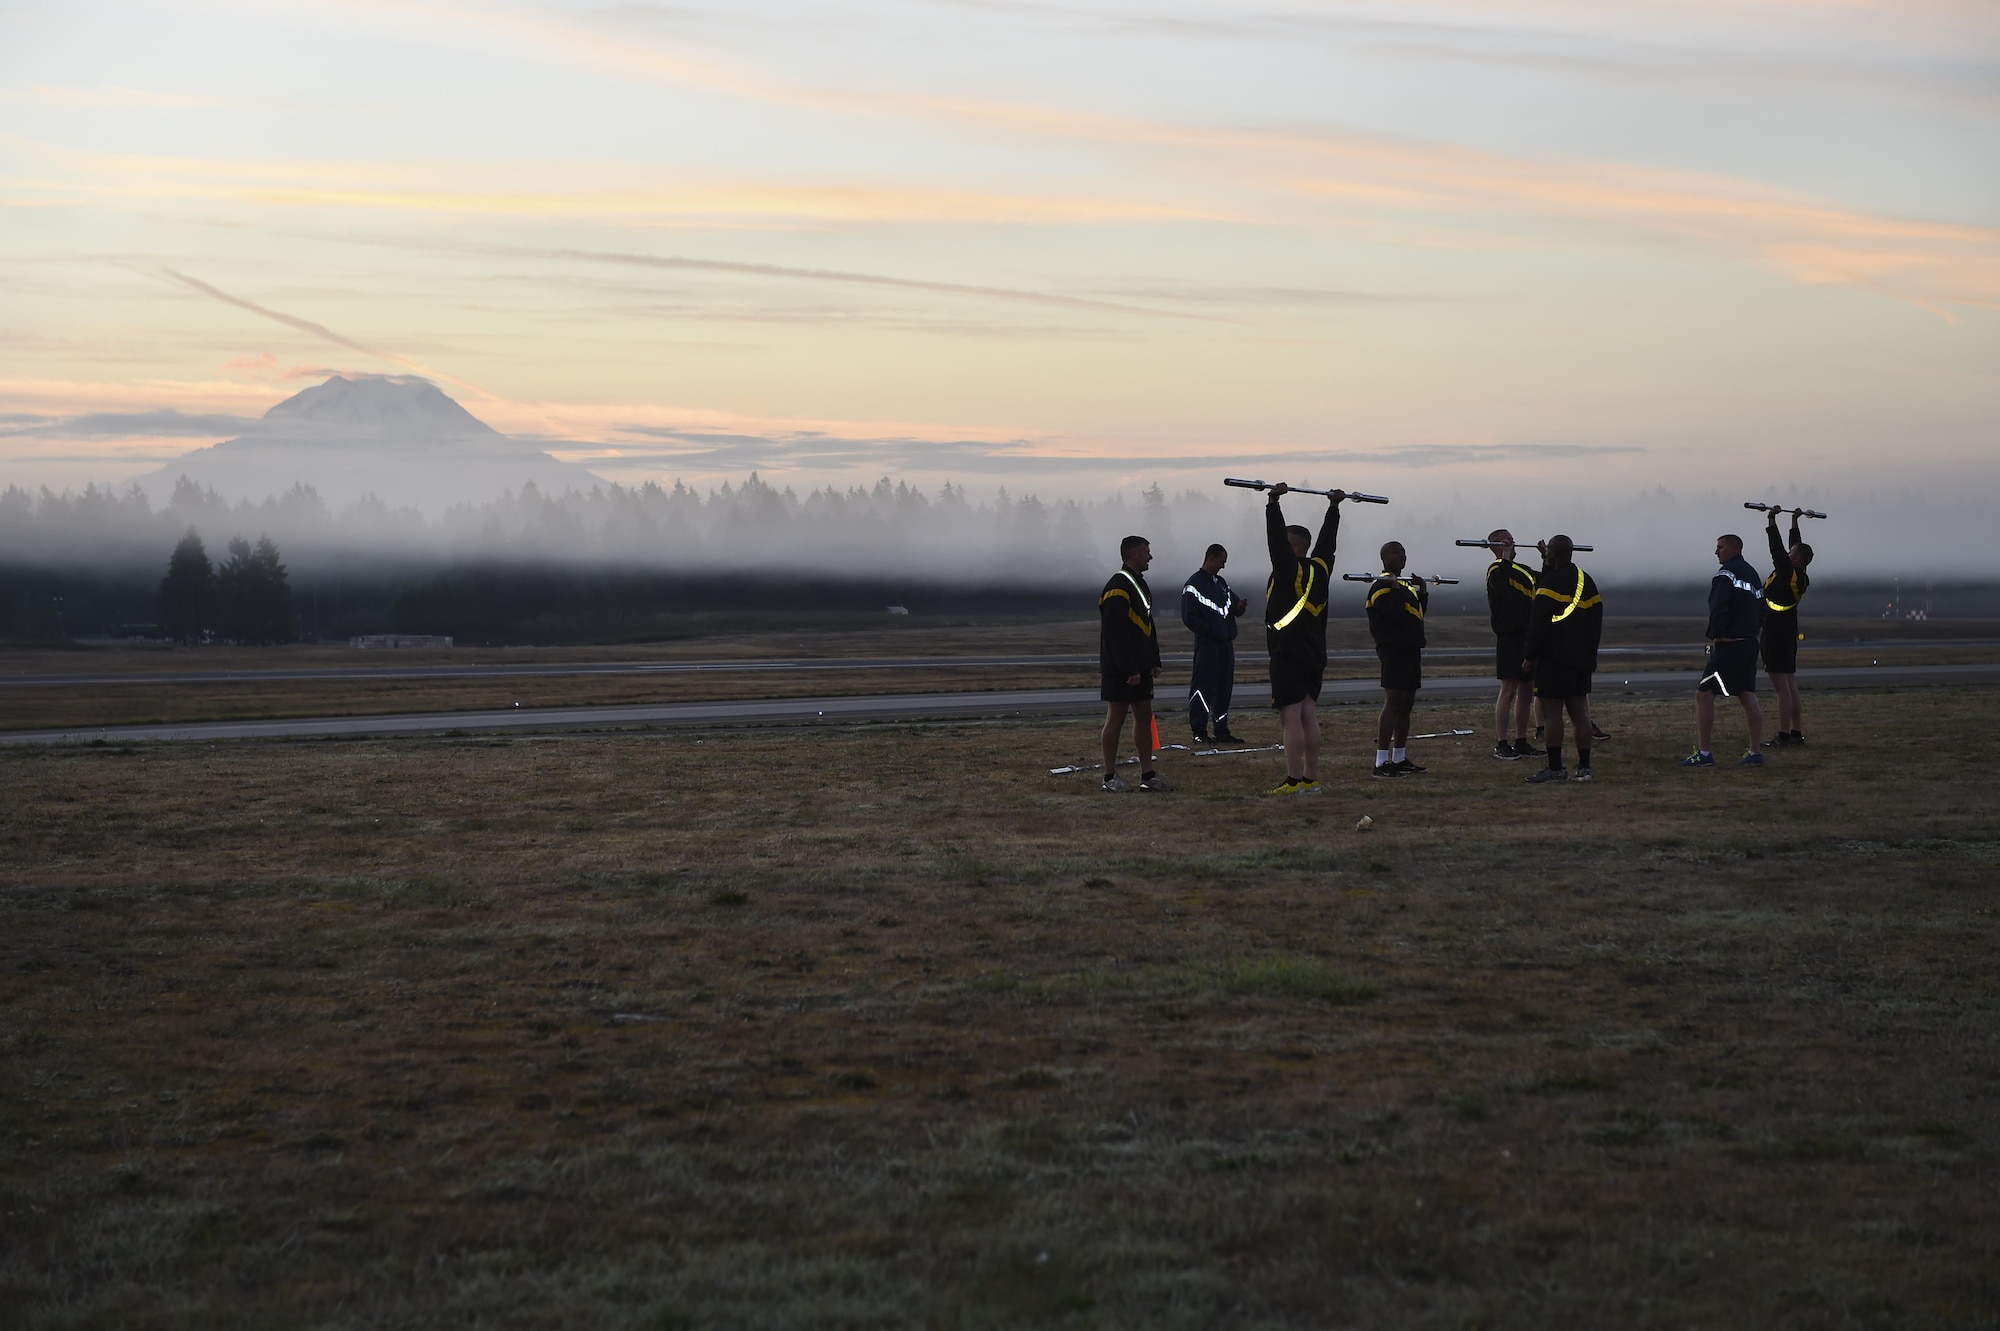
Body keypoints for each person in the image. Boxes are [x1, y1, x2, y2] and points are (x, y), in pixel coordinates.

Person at [1262, 483, 1346, 795]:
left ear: (1294, 546)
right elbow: (1328, 544)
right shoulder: (1321, 567)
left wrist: (1273, 503)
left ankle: (1293, 780)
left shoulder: (1287, 569)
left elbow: (1274, 542)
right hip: (1314, 653)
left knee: (1291, 718)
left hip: (1288, 653)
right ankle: (1311, 779)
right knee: (1309, 714)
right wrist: (1334, 507)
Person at [1519, 536, 1603, 783]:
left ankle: (1555, 768)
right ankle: (1584, 767)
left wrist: (1529, 656)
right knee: (1580, 713)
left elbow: (1538, 626)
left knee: (1551, 714)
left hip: (1553, 660)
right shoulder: (1587, 581)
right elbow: (1595, 622)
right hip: (1581, 659)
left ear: (1553, 554)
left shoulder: (1549, 586)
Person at [1682, 532, 1766, 769]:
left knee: (1704, 693)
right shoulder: (1753, 574)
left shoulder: (1725, 575)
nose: (1716, 552)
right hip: (1749, 642)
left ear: (1733, 548)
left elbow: (1718, 606)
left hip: (1730, 645)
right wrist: (1753, 630)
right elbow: (1763, 606)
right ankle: (1755, 752)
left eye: (1719, 547)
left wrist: (1717, 634)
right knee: (1746, 693)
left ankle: (1705, 752)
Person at [1100, 534, 1168, 792]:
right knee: (1115, 718)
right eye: (1147, 552)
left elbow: (1147, 626)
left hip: (1141, 667)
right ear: (1134, 554)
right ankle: (1110, 777)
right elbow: (1115, 634)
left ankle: (1147, 775)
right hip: (1121, 669)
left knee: (1144, 716)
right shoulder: (1118, 587)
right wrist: (1129, 669)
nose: (1151, 557)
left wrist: (1153, 660)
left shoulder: (1139, 584)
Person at [1364, 543, 1429, 778]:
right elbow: (1393, 616)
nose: (1401, 555)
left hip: (1411, 649)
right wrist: (1394, 589)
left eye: (1403, 552)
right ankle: (1381, 762)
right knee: (1393, 703)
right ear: (1383, 558)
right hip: (1394, 651)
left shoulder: (1402, 586)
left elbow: (1415, 617)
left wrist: (1422, 591)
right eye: (1395, 552)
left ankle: (1399, 758)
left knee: (1407, 704)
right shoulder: (1382, 586)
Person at [1483, 529, 1542, 761]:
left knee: (1527, 691)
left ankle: (1521, 741)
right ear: (1497, 546)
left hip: (1528, 636)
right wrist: (1505, 556)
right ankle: (1502, 743)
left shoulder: (1524, 571)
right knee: (1508, 690)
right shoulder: (1496, 570)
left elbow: (1546, 580)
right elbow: (1501, 588)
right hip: (1509, 636)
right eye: (1506, 541)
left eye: (1512, 540)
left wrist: (1545, 556)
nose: (1513, 543)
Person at [1180, 543, 1247, 744]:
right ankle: (1199, 732)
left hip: (1226, 644)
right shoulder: (1193, 585)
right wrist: (1211, 631)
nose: (1223, 566)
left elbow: (1233, 607)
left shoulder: (1221, 583)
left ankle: (1221, 730)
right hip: (1208, 645)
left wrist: (1239, 607)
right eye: (1221, 562)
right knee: (1203, 687)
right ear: (1211, 558)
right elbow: (1189, 618)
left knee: (1223, 688)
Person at [1761, 506, 1814, 746]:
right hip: (1788, 627)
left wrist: (1772, 519)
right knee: (1790, 683)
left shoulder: (1785, 570)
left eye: (1790, 552)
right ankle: (1795, 732)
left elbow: (1776, 548)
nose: (1788, 551)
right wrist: (1793, 520)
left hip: (1775, 628)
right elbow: (1796, 546)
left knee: (1781, 685)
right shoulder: (1800, 573)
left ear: (1795, 558)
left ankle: (1783, 736)